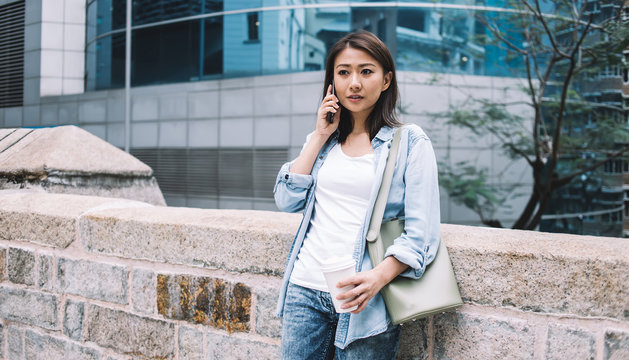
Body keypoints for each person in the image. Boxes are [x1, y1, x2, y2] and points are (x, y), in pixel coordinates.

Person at [273, 31, 441, 359]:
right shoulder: (324, 141)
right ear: (331, 82)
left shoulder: (410, 143)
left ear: (386, 79)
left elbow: (422, 235)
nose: (354, 83)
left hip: (366, 298)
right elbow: (286, 199)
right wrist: (320, 134)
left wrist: (377, 278)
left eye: (366, 71)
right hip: (305, 289)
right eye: (343, 72)